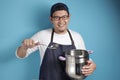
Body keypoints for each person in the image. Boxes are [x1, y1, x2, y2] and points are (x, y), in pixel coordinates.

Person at [16, 2, 96, 80]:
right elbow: (20, 55)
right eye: (57, 18)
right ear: (51, 19)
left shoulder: (77, 37)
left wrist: (93, 66)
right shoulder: (42, 35)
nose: (61, 21)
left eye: (64, 17)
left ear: (69, 17)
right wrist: (24, 47)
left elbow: (86, 60)